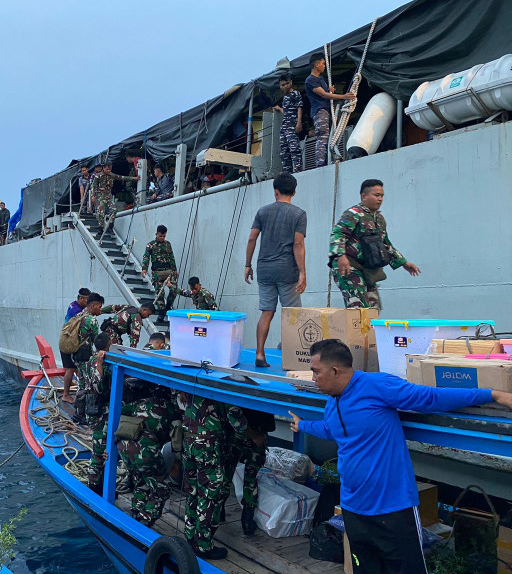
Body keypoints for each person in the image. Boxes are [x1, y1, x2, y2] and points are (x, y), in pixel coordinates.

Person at [289, 339, 512, 574]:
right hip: (354, 510)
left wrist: (493, 394)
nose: (313, 378)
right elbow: (332, 429)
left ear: (335, 371)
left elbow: (432, 398)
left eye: (316, 372)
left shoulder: (377, 386)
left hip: (392, 509)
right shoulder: (332, 401)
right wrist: (303, 426)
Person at [244, 173, 307, 367]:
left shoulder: (263, 212)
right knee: (292, 313)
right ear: (294, 192)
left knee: (267, 312)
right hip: (287, 270)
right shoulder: (299, 214)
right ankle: (293, 356)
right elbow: (298, 244)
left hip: (264, 270)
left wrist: (247, 265)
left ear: (275, 191)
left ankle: (260, 354)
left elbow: (252, 238)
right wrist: (302, 272)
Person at [330, 179, 420, 308]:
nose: (380, 199)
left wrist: (403, 263)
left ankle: (369, 329)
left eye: (382, 196)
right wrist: (341, 256)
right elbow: (338, 234)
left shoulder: (379, 218)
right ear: (364, 196)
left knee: (373, 307)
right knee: (358, 308)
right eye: (376, 195)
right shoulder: (353, 214)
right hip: (349, 267)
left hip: (368, 269)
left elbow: (385, 244)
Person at [183, 397, 249, 559]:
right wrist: (251, 433)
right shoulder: (221, 384)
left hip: (189, 440)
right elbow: (237, 420)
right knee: (210, 493)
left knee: (193, 490)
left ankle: (190, 536)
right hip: (207, 445)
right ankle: (203, 545)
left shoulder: (194, 379)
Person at [117, 358, 177, 527]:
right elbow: (176, 438)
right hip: (146, 451)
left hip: (124, 447)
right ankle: (146, 519)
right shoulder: (170, 409)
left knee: (141, 480)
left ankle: (136, 511)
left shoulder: (138, 404)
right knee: (162, 487)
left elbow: (120, 413)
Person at [72, 293, 125, 424]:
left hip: (76, 354)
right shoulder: (92, 320)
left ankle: (79, 412)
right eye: (99, 307)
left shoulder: (79, 315)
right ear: (93, 305)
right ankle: (85, 413)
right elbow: (96, 340)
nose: (100, 310)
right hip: (86, 356)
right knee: (89, 385)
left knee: (81, 381)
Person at [306, 53, 356, 167]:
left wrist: (330, 90)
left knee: (332, 135)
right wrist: (343, 96)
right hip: (320, 111)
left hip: (329, 110)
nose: (324, 66)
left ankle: (329, 158)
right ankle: (320, 163)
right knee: (323, 136)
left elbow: (326, 92)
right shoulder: (310, 80)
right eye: (323, 64)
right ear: (317, 64)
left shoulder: (321, 79)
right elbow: (323, 95)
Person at [85, 333, 114, 495]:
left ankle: (101, 483)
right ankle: (95, 487)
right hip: (99, 412)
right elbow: (98, 387)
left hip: (98, 410)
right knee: (98, 451)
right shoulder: (97, 362)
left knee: (104, 449)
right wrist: (101, 365)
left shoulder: (89, 360)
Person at [60, 288, 91, 403]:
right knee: (71, 368)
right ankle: (66, 394)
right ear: (81, 298)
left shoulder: (73, 304)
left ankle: (68, 383)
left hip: (64, 339)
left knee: (69, 367)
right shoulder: (77, 312)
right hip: (69, 342)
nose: (88, 302)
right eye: (87, 300)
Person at [141, 225, 178, 322]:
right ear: (157, 234)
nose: (162, 238)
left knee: (174, 290)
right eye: (160, 236)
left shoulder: (167, 244)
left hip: (168, 271)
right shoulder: (151, 245)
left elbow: (171, 257)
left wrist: (175, 270)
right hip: (157, 273)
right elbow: (146, 257)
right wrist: (144, 269)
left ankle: (168, 307)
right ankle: (161, 312)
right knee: (160, 293)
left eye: (164, 236)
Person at [92, 162, 139, 236]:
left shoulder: (112, 175)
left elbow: (122, 177)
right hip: (100, 196)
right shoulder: (98, 176)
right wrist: (93, 196)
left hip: (109, 196)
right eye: (107, 169)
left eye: (110, 169)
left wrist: (134, 178)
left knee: (114, 210)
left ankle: (110, 226)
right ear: (103, 168)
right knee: (101, 213)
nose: (109, 171)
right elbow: (94, 186)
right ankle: (101, 228)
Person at [273, 72, 304, 173]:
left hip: (292, 125)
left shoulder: (295, 93)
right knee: (284, 151)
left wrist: (299, 122)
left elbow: (299, 107)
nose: (285, 86)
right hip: (285, 126)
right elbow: (286, 112)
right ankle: (287, 171)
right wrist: (279, 109)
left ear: (291, 82)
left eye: (286, 83)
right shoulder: (285, 97)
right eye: (282, 85)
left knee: (294, 148)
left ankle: (298, 168)